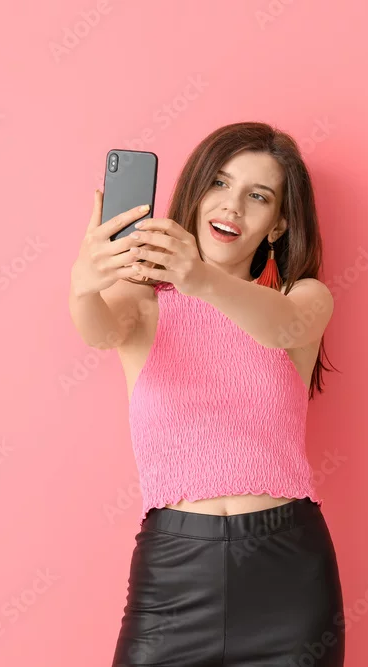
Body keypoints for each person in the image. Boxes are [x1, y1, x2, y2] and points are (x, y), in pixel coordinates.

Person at [69, 122, 345, 666]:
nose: (232, 206)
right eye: (220, 182)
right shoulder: (143, 301)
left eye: (258, 196)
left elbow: (280, 329)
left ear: (278, 224)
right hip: (173, 572)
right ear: (196, 192)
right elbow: (99, 333)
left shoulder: (302, 296)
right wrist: (83, 286)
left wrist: (199, 278)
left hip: (288, 575)